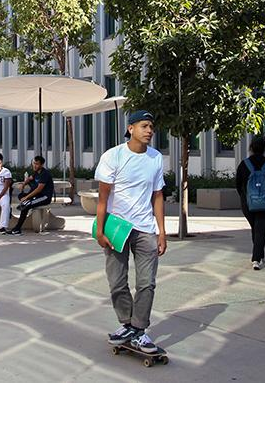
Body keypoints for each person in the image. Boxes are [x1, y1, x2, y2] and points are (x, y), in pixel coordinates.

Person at [94, 110, 167, 354]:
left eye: (152, 127)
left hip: (145, 229)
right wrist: (100, 230)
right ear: (131, 128)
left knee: (147, 283)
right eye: (145, 126)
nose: (149, 131)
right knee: (117, 282)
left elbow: (158, 195)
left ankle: (139, 330)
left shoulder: (156, 158)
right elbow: (103, 197)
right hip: (117, 229)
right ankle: (126, 324)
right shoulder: (113, 156)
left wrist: (162, 231)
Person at [235, 135, 265, 270]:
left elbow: (238, 185)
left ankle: (259, 256)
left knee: (256, 229)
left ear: (251, 147)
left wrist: (246, 198)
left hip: (248, 203)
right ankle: (257, 258)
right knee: (260, 230)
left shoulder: (244, 164)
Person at [8, 156, 54, 236]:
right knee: (22, 196)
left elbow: (39, 189)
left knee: (26, 204)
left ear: (42, 165)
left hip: (44, 197)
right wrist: (23, 184)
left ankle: (17, 228)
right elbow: (30, 178)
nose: (34, 165)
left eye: (37, 164)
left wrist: (27, 197)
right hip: (37, 196)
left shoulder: (45, 174)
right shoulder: (36, 172)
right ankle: (17, 228)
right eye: (34, 163)